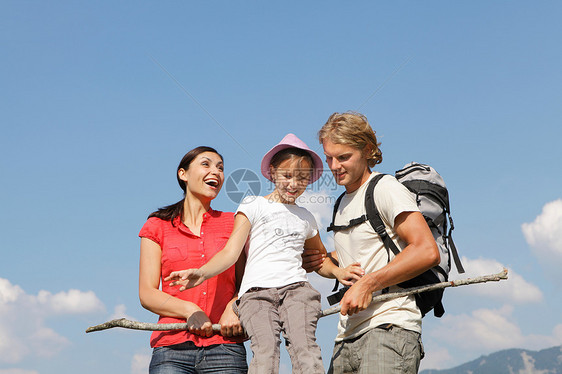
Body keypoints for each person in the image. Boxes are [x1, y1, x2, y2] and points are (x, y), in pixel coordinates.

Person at [165, 134, 364, 374]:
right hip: (256, 295)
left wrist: (339, 272)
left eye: (302, 179)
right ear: (272, 172)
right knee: (265, 352)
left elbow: (319, 259)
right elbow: (231, 252)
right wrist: (202, 272)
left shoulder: (306, 217)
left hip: (297, 290)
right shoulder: (253, 205)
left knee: (306, 349)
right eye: (287, 176)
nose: (293, 184)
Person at [316, 112, 441, 374]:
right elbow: (364, 253)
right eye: (329, 157)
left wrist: (369, 283)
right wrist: (322, 260)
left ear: (368, 150)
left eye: (343, 157)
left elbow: (427, 250)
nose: (334, 166)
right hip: (345, 336)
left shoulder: (385, 188)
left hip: (389, 328)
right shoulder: (341, 202)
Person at [138, 146, 248, 374]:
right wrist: (190, 310)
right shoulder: (157, 225)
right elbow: (147, 293)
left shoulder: (234, 223)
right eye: (206, 164)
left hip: (225, 347)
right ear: (183, 174)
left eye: (221, 168)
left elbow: (246, 283)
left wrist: (233, 307)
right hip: (171, 348)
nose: (216, 172)